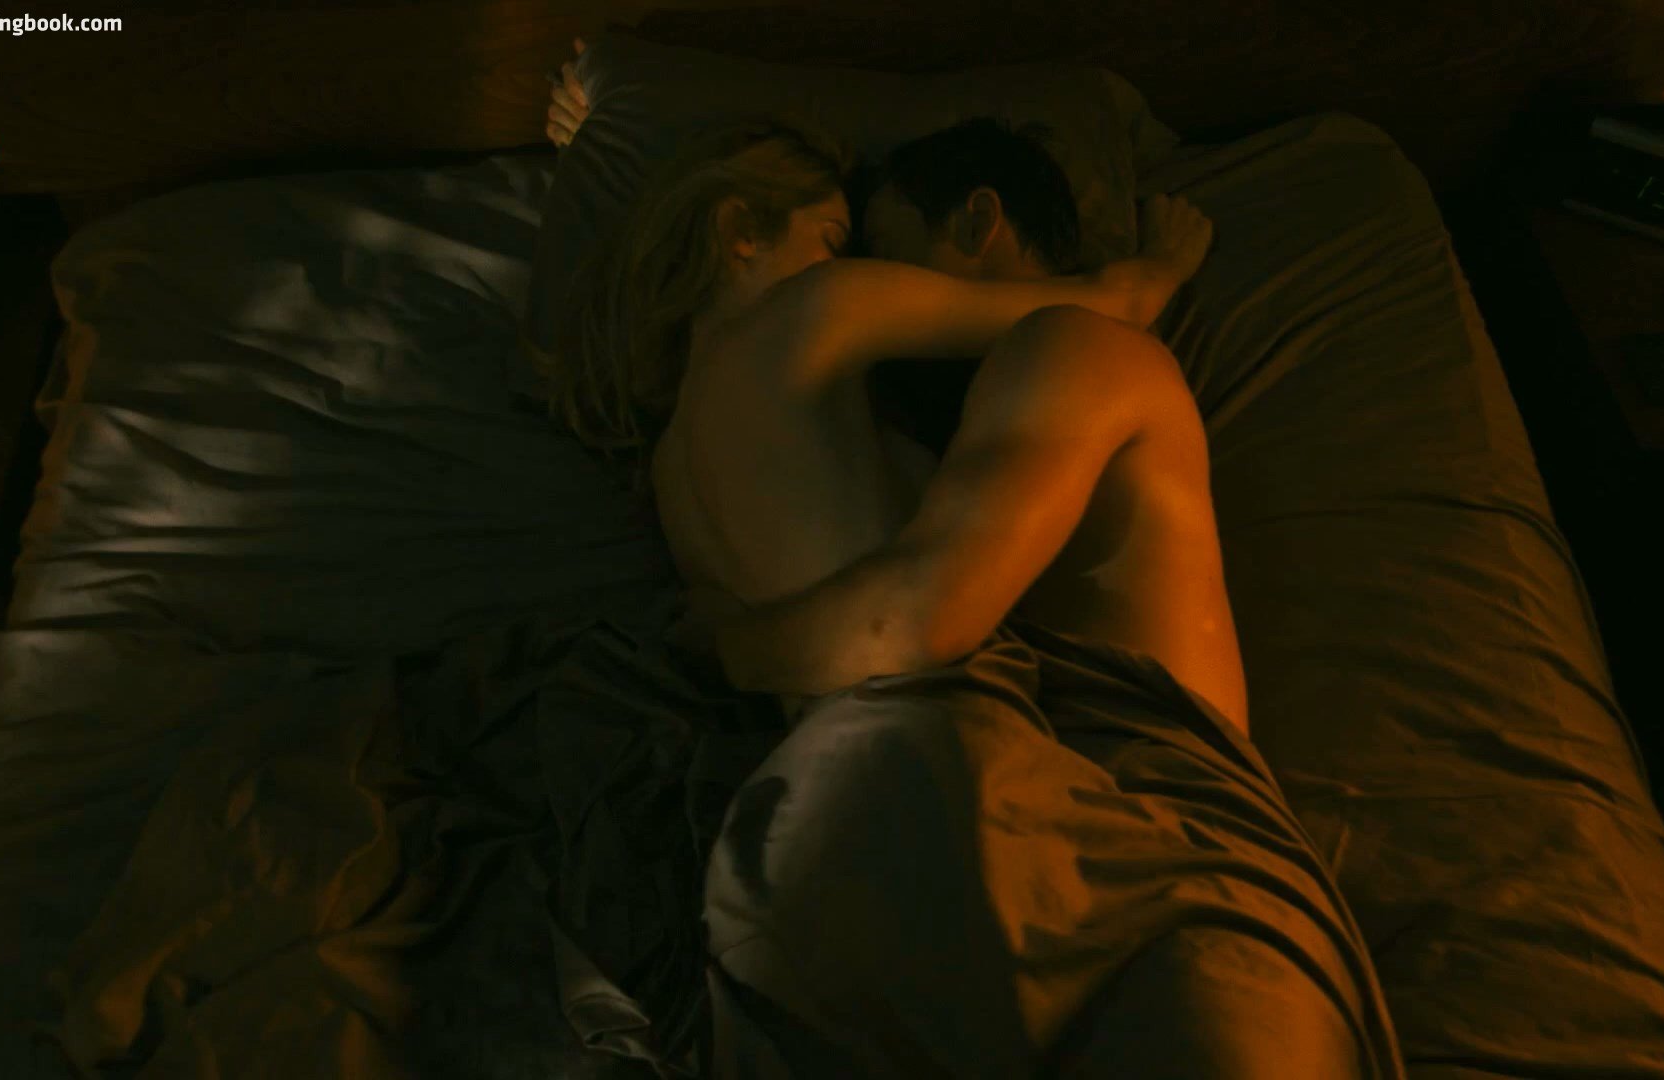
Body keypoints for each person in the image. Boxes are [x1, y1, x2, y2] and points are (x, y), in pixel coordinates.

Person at [542, 52, 1402, 1078]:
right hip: (942, 770)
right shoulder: (847, 340)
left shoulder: (680, 455)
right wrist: (1159, 266)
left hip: (831, 808)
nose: (877, 281)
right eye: (842, 246)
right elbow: (919, 616)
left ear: (976, 222)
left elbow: (919, 600)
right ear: (742, 232)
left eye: (876, 247)